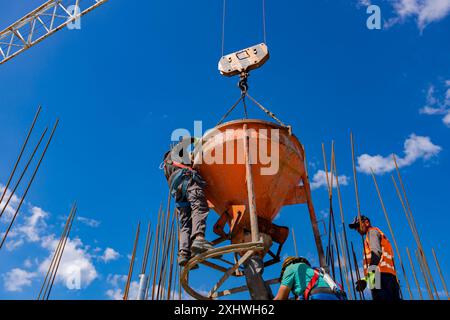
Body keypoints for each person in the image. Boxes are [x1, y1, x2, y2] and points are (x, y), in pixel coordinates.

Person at [162, 137, 215, 267]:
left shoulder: (166, 168)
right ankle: (199, 238)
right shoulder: (174, 153)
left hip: (178, 192)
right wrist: (194, 139)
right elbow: (183, 143)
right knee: (199, 207)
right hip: (188, 181)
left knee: (185, 223)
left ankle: (184, 254)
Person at [349, 215, 402, 300]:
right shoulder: (378, 233)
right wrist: (366, 280)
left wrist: (368, 279)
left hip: (379, 275)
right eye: (355, 228)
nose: (357, 229)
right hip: (390, 276)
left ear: (366, 222)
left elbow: (376, 254)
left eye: (358, 225)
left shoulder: (372, 232)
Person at [273, 256, 346, 300]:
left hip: (317, 296)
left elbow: (280, 298)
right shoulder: (316, 271)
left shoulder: (290, 268)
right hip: (337, 297)